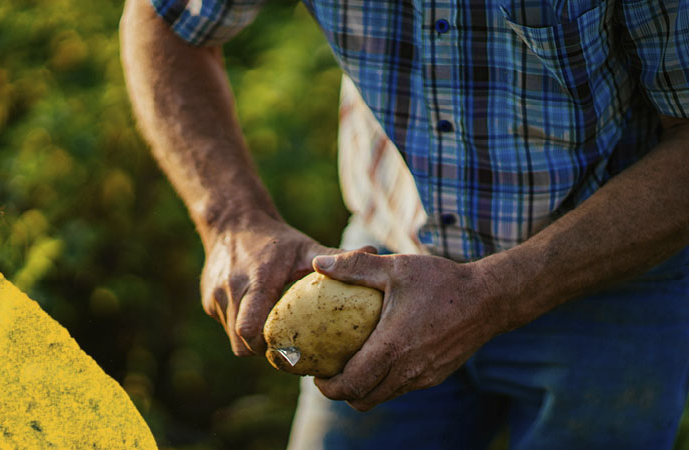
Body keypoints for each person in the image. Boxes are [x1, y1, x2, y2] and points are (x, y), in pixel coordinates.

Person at [119, 0, 689, 446]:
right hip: (375, 270)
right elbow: (164, 19)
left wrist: (495, 293)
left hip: (612, 282)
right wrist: (231, 218)